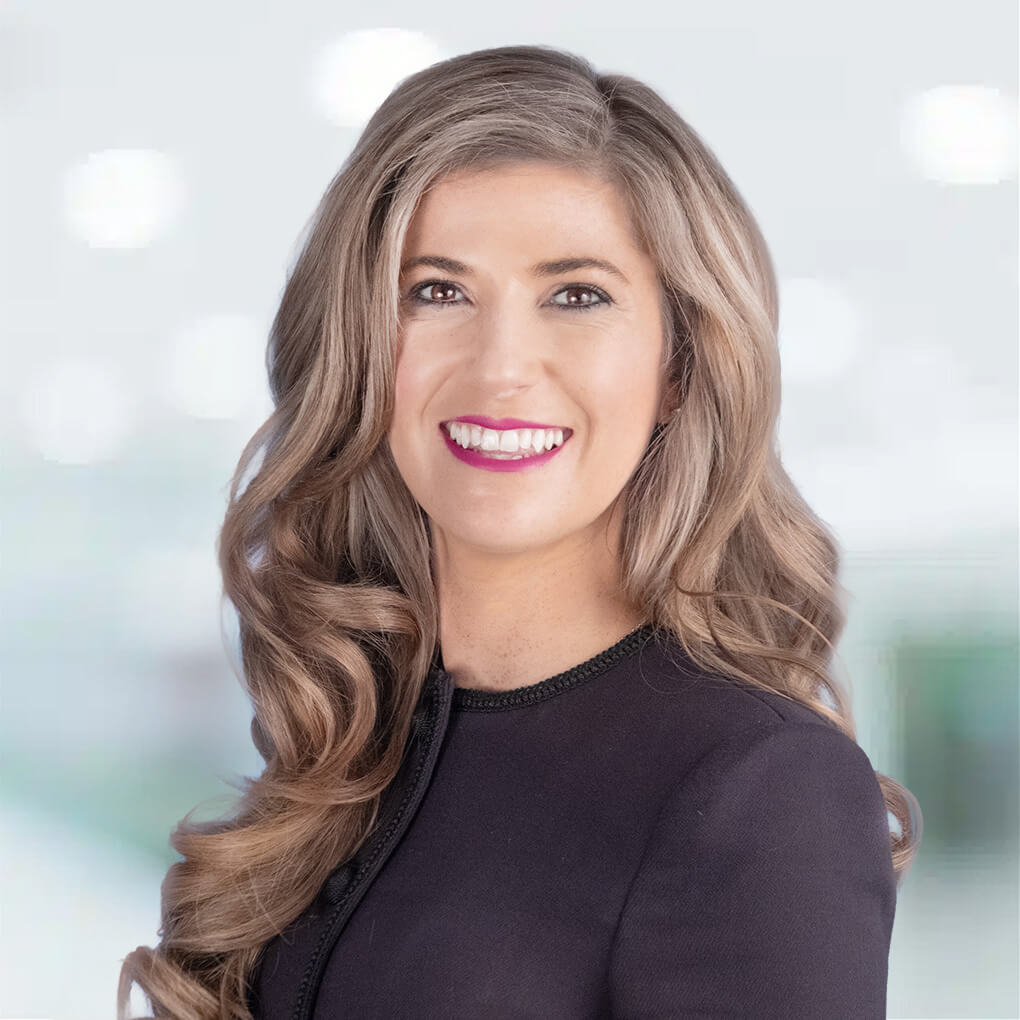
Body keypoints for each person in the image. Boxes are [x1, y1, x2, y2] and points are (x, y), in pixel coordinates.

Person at [118, 43, 922, 1019]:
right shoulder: (350, 745)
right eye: (437, 291)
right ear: (364, 348)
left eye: (576, 295)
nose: (501, 367)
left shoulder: (760, 788)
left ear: (677, 368)